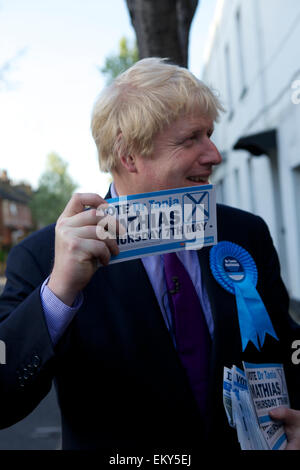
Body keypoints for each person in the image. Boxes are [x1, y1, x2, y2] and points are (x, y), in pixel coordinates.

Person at [0, 58, 299, 453]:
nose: (214, 154)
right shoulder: (45, 259)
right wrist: (58, 294)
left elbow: (286, 345)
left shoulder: (245, 233)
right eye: (191, 138)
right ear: (129, 155)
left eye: (209, 134)